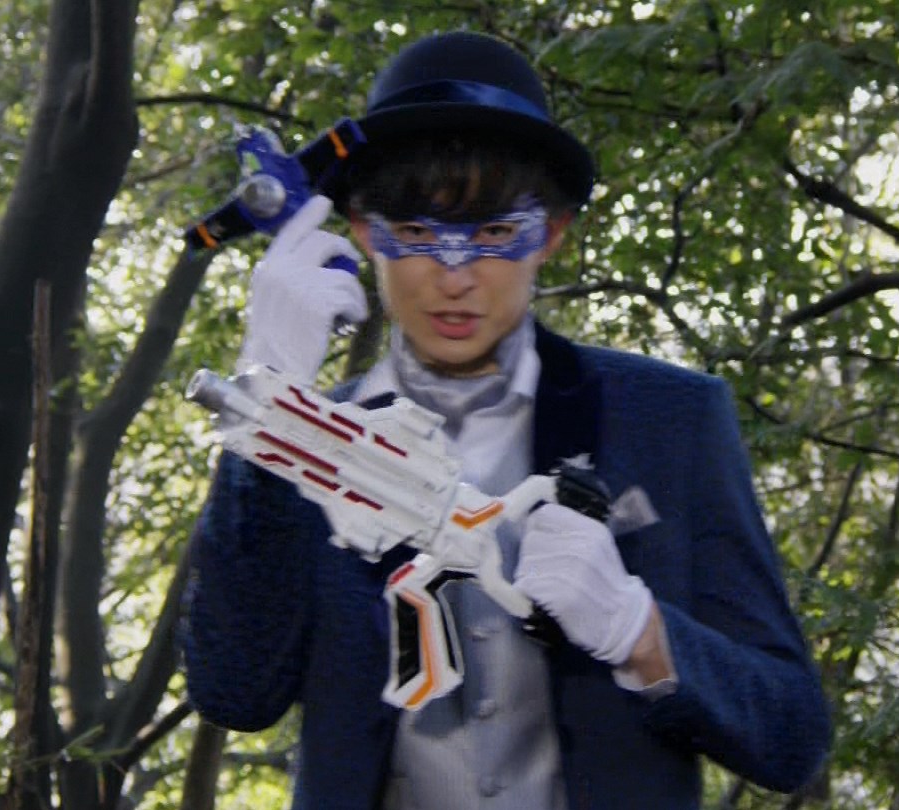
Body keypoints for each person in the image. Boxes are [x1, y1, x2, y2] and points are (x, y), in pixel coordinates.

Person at [181, 30, 831, 810]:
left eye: (494, 234)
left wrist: (641, 633)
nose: (455, 277)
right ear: (361, 230)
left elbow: (792, 736)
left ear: (549, 234)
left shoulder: (674, 419)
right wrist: (269, 409)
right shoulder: (308, 441)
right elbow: (234, 692)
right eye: (415, 234)